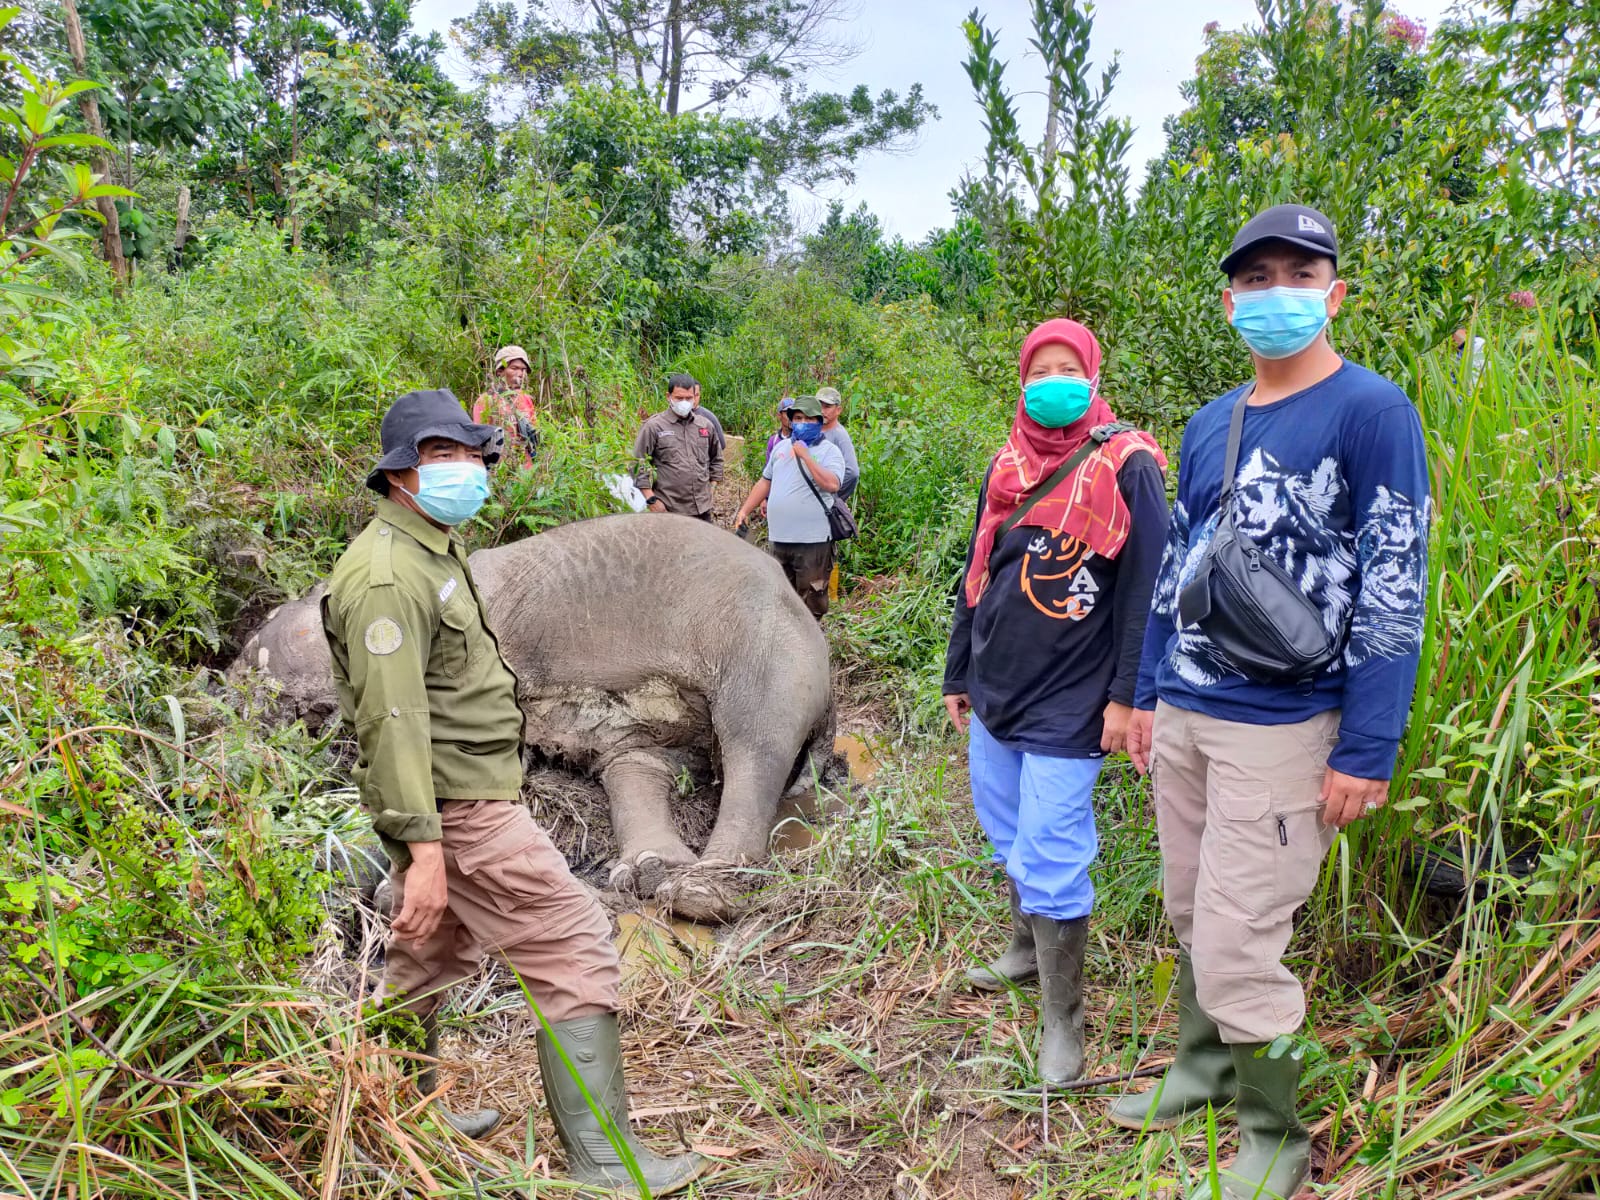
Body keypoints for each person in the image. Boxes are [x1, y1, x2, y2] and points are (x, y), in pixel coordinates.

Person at [1109, 204, 1431, 1200]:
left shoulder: (1371, 411)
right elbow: (1177, 568)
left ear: (1334, 295)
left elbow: (1394, 582)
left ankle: (1274, 1137)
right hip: (1188, 713)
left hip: (1286, 727)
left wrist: (1367, 746)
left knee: (1240, 934)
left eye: (1299, 275)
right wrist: (1148, 693)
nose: (1276, 293)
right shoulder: (1213, 421)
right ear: (1228, 302)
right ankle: (1202, 1070)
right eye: (1256, 279)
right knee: (1190, 906)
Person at [320, 389, 705, 1195]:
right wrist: (425, 851)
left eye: (470, 454)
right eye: (441, 455)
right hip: (458, 808)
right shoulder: (388, 576)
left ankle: (400, 1115)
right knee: (575, 943)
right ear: (399, 472)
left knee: (428, 957)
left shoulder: (430, 547)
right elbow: (393, 720)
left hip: (463, 797)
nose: (463, 468)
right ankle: (606, 1165)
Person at [942, 319, 1168, 1086]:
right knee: (1006, 829)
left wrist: (1129, 697)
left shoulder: (1127, 464)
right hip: (997, 685)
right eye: (1041, 371)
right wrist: (958, 672)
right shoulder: (1007, 464)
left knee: (1052, 847)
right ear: (1021, 382)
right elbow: (978, 570)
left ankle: (1062, 1021)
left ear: (1094, 377)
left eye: (1069, 368)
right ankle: (1022, 950)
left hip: (1072, 698)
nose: (1054, 382)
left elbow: (1147, 591)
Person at [732, 394, 844, 618]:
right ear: (791, 421)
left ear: (819, 422)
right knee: (779, 597)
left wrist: (806, 456)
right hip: (779, 538)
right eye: (798, 418)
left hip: (812, 542)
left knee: (811, 601)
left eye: (809, 419)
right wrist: (744, 510)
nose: (803, 423)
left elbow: (832, 484)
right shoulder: (780, 448)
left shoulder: (830, 451)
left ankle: (810, 639)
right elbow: (765, 482)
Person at [632, 373, 724, 519]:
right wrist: (651, 500)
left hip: (702, 509)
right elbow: (637, 463)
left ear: (695, 397)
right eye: (679, 398)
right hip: (669, 510)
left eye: (689, 398)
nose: (684, 402)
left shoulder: (705, 425)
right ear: (668, 396)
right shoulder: (654, 427)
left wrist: (711, 489)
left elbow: (716, 459)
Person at [472, 345, 539, 468]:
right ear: (500, 371)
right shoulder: (487, 400)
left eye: (523, 369)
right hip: (499, 469)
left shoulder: (526, 399)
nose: (520, 374)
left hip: (526, 470)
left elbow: (534, 433)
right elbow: (479, 440)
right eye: (514, 368)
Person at [816, 386, 860, 501]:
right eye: (819, 405)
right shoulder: (812, 429)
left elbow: (852, 473)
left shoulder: (839, 435)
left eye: (827, 407)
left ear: (838, 410)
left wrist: (833, 497)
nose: (822, 411)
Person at [691, 379, 726, 449]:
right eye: (690, 395)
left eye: (696, 395)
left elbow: (721, 444)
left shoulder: (708, 417)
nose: (694, 399)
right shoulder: (673, 417)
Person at [765, 397, 796, 462]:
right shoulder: (773, 441)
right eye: (788, 413)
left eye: (794, 413)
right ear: (779, 415)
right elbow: (769, 465)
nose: (792, 417)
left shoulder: (801, 438)